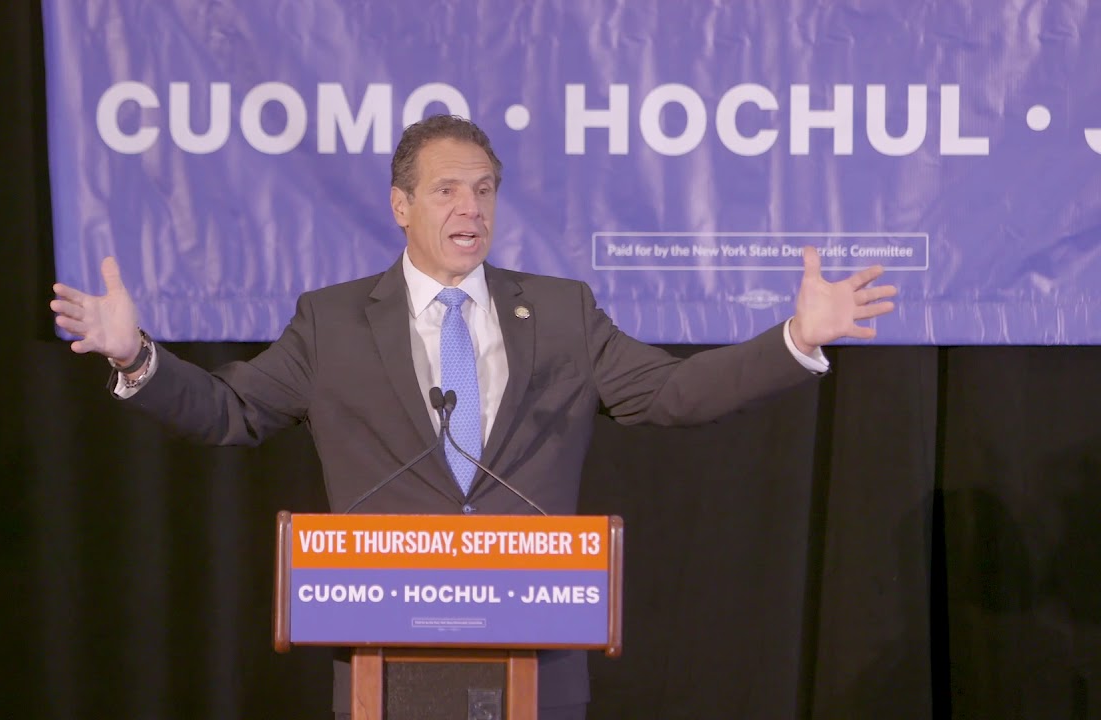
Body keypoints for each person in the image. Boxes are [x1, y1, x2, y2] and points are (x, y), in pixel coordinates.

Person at [51, 114, 896, 719]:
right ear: (401, 206)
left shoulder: (561, 313)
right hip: (389, 664)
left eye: (484, 190)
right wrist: (137, 356)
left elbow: (670, 392)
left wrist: (793, 340)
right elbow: (231, 411)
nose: (471, 208)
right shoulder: (333, 322)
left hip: (537, 661)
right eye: (448, 189)